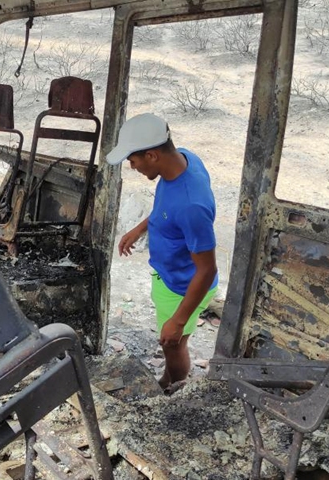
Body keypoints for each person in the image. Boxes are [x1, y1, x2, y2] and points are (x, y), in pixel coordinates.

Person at [106, 113, 218, 395]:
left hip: (182, 286)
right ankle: (170, 376)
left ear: (152, 156)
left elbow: (207, 270)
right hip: (170, 276)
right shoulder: (182, 159)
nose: (132, 167)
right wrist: (141, 228)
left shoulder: (192, 206)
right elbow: (167, 209)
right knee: (171, 341)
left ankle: (172, 386)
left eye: (133, 161)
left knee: (172, 343)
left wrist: (178, 320)